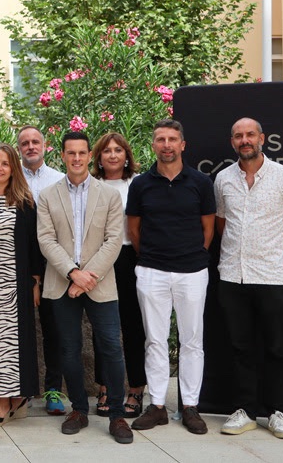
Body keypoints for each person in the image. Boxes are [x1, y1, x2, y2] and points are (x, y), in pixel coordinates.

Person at [215, 118, 283, 439]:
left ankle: (277, 412)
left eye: (250, 134)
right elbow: (222, 224)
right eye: (238, 136)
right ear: (232, 142)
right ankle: (244, 411)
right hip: (233, 275)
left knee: (275, 347)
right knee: (239, 346)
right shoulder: (223, 179)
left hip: (273, 277)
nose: (245, 140)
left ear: (262, 138)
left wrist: (282, 258)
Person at [37, 131, 131, 444]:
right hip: (62, 282)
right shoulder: (48, 195)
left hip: (100, 283)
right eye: (71, 153)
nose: (76, 158)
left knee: (111, 347)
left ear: (90, 155)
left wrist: (88, 276)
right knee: (68, 348)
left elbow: (114, 240)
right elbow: (46, 239)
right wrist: (73, 274)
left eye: (81, 153)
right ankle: (78, 409)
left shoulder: (109, 195)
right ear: (62, 156)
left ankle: (116, 414)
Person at [127, 119, 215, 436]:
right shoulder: (141, 184)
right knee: (155, 340)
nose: (167, 145)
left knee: (192, 341)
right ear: (153, 145)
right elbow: (133, 229)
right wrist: (153, 257)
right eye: (161, 139)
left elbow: (208, 228)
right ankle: (157, 406)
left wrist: (192, 254)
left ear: (182, 144)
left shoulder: (200, 182)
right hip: (152, 271)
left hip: (192, 272)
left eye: (172, 139)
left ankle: (190, 406)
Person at [0, 144, 43, 428]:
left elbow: (33, 245)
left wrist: (35, 282)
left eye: (5, 163)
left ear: (13, 169)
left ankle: (3, 401)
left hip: (13, 284)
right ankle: (14, 398)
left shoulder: (23, 202)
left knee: (8, 345)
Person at [89, 132, 146, 418]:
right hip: (100, 260)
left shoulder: (138, 183)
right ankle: (105, 387)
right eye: (107, 150)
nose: (113, 155)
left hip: (130, 257)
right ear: (99, 157)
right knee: (103, 327)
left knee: (133, 326)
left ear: (126, 156)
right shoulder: (91, 185)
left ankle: (135, 389)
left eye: (118, 150)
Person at [17, 125, 67, 416]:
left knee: (53, 330)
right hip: (18, 265)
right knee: (18, 330)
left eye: (35, 141)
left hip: (53, 265)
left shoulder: (59, 180)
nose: (31, 147)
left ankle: (53, 389)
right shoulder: (12, 178)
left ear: (45, 145)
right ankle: (20, 391)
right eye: (25, 143)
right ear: (19, 148)